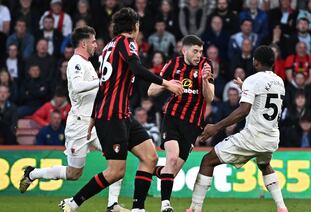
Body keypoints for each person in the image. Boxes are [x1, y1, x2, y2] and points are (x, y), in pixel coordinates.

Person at [59, 8, 183, 212]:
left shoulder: (109, 47)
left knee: (150, 157)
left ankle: (138, 209)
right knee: (116, 171)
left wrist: (92, 118)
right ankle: (73, 203)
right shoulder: (126, 43)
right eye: (138, 25)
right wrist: (167, 83)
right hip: (112, 116)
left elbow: (103, 85)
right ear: (134, 26)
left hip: (121, 114)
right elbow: (137, 69)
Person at [18, 26, 129, 212]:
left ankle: (112, 204)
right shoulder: (75, 62)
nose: (96, 45)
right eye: (93, 41)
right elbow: (77, 86)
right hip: (78, 124)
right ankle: (33, 173)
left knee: (118, 160)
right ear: (84, 43)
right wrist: (102, 81)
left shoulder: (89, 64)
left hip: (95, 123)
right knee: (74, 173)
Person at [186, 46, 288, 212]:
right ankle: (282, 207)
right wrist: (245, 87)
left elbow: (244, 110)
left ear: (256, 61)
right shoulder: (279, 81)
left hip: (253, 136)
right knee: (264, 165)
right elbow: (262, 99)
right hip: (271, 137)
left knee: (208, 160)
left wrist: (216, 127)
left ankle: (194, 208)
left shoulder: (253, 80)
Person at [148, 34, 214, 212]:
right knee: (171, 157)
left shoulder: (206, 66)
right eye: (195, 51)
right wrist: (166, 84)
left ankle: (150, 170)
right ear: (184, 50)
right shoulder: (172, 64)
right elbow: (150, 91)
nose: (198, 55)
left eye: (200, 51)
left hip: (193, 125)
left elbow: (210, 98)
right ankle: (165, 205)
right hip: (173, 118)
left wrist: (204, 82)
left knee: (172, 170)